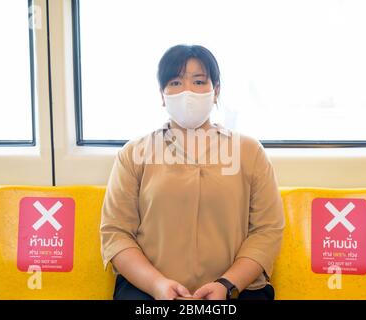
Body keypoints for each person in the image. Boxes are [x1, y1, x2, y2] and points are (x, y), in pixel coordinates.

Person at [100, 44, 285, 300]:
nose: (187, 91)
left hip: (237, 290)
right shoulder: (134, 154)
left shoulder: (249, 151)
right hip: (148, 291)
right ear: (162, 95)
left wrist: (226, 285)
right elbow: (116, 232)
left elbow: (267, 230)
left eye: (199, 81)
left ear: (216, 90)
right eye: (175, 82)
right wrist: (157, 285)